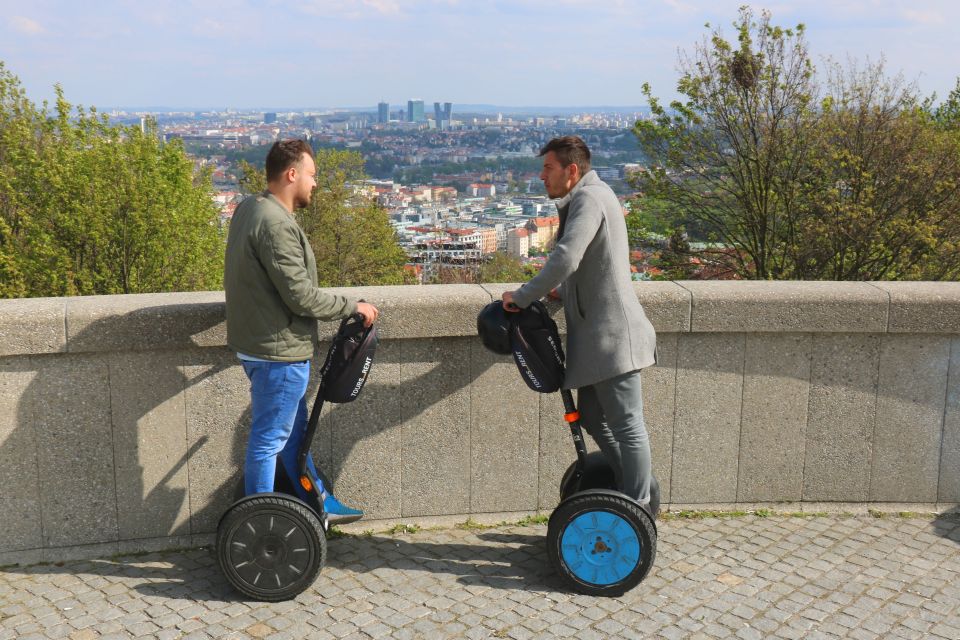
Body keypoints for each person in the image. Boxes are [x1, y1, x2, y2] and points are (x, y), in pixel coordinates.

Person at [224, 139, 378, 518]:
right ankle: (259, 522)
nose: (315, 183)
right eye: (312, 174)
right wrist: (352, 306)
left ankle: (318, 501)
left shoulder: (249, 207)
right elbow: (301, 297)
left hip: (261, 344)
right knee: (269, 441)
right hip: (278, 352)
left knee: (295, 435)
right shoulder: (275, 223)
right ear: (291, 174)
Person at [502, 136, 657, 505]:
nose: (542, 176)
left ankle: (638, 509)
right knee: (590, 415)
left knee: (628, 426)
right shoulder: (591, 196)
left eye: (548, 168)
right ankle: (629, 491)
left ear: (572, 171)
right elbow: (592, 265)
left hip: (614, 338)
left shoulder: (589, 198)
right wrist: (563, 292)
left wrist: (524, 296)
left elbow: (567, 258)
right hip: (600, 341)